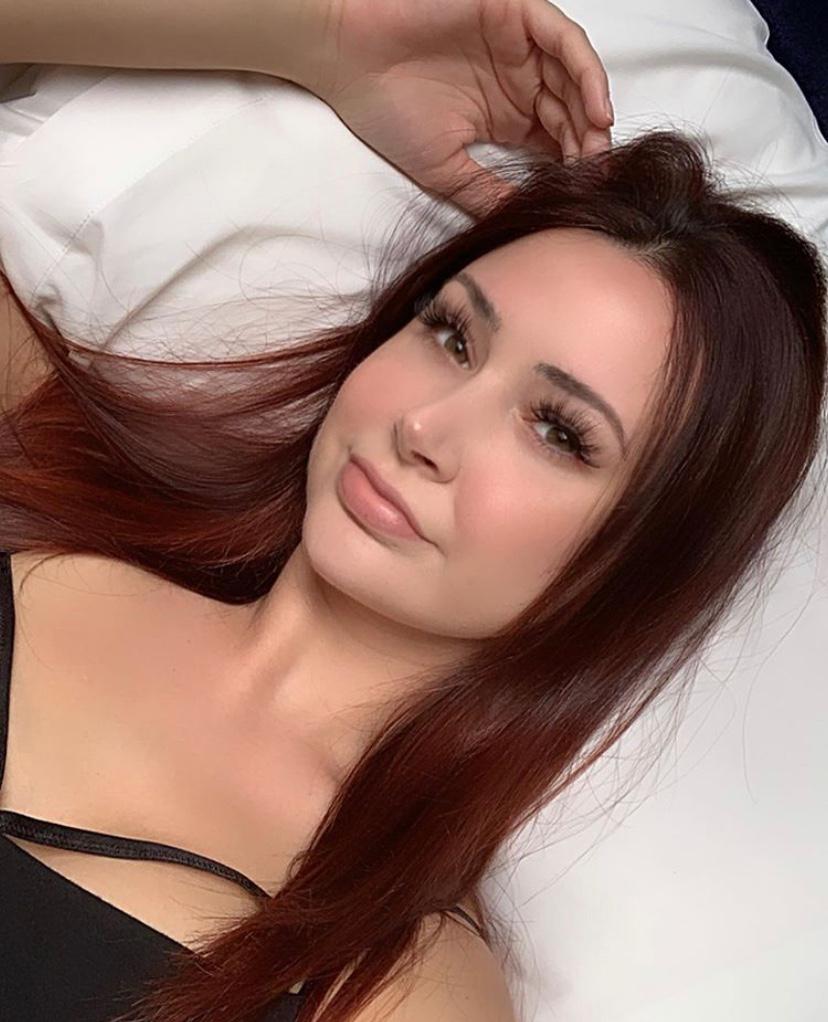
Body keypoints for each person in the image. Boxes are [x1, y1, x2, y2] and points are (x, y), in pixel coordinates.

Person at [0, 3, 825, 1022]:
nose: (427, 427)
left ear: (639, 557)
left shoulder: (400, 981)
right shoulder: (54, 469)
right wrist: (316, 36)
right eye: (451, 336)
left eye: (558, 431)